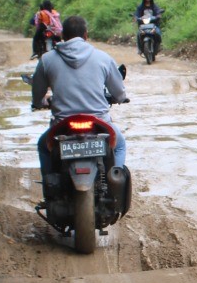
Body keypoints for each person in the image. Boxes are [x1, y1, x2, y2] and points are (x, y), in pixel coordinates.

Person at [31, 16, 130, 171]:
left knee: (43, 146)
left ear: (63, 36)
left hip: (62, 124)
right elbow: (119, 92)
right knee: (120, 145)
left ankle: (50, 186)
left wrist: (39, 102)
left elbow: (37, 93)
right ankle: (115, 176)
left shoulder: (47, 60)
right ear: (85, 35)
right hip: (99, 122)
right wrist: (120, 98)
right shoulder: (103, 58)